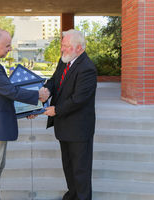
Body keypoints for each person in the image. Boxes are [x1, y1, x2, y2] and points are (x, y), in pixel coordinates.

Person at [0, 28, 49, 200]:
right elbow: (9, 91)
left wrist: (28, 110)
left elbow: (0, 95)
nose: (10, 49)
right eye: (7, 46)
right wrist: (37, 96)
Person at [43, 29, 97, 200]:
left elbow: (78, 99)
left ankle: (82, 197)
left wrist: (56, 110)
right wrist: (46, 90)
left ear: (79, 48)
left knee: (80, 169)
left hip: (78, 128)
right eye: (62, 45)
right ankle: (72, 195)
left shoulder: (87, 68)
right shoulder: (65, 60)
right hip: (64, 126)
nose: (62, 49)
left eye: (66, 46)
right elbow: (54, 80)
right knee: (68, 166)